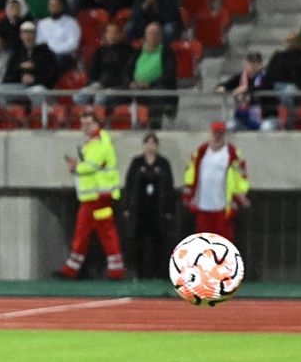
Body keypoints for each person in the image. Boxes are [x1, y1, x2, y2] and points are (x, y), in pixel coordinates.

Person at [59, 112, 125, 281]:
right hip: (97, 196)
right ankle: (115, 270)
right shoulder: (94, 142)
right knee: (104, 232)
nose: (85, 128)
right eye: (83, 124)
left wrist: (76, 167)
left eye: (89, 124)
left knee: (86, 232)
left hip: (97, 197)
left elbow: (91, 165)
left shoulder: (99, 142)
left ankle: (71, 269)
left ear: (97, 124)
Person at [121, 132, 178, 280]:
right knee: (138, 241)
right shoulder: (137, 162)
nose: (150, 146)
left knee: (158, 242)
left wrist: (169, 208)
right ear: (144, 145)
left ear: (157, 146)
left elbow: (169, 186)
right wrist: (127, 206)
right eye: (148, 143)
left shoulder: (163, 163)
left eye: (153, 143)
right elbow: (129, 184)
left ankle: (158, 274)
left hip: (158, 209)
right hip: (140, 208)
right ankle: (139, 273)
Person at [182, 122, 251, 243]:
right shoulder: (200, 152)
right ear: (210, 134)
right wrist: (188, 193)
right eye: (215, 133)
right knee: (203, 245)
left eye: (220, 134)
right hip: (202, 207)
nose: (217, 137)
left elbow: (241, 176)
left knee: (223, 244)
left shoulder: (232, 154)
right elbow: (190, 174)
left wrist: (240, 194)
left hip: (223, 208)